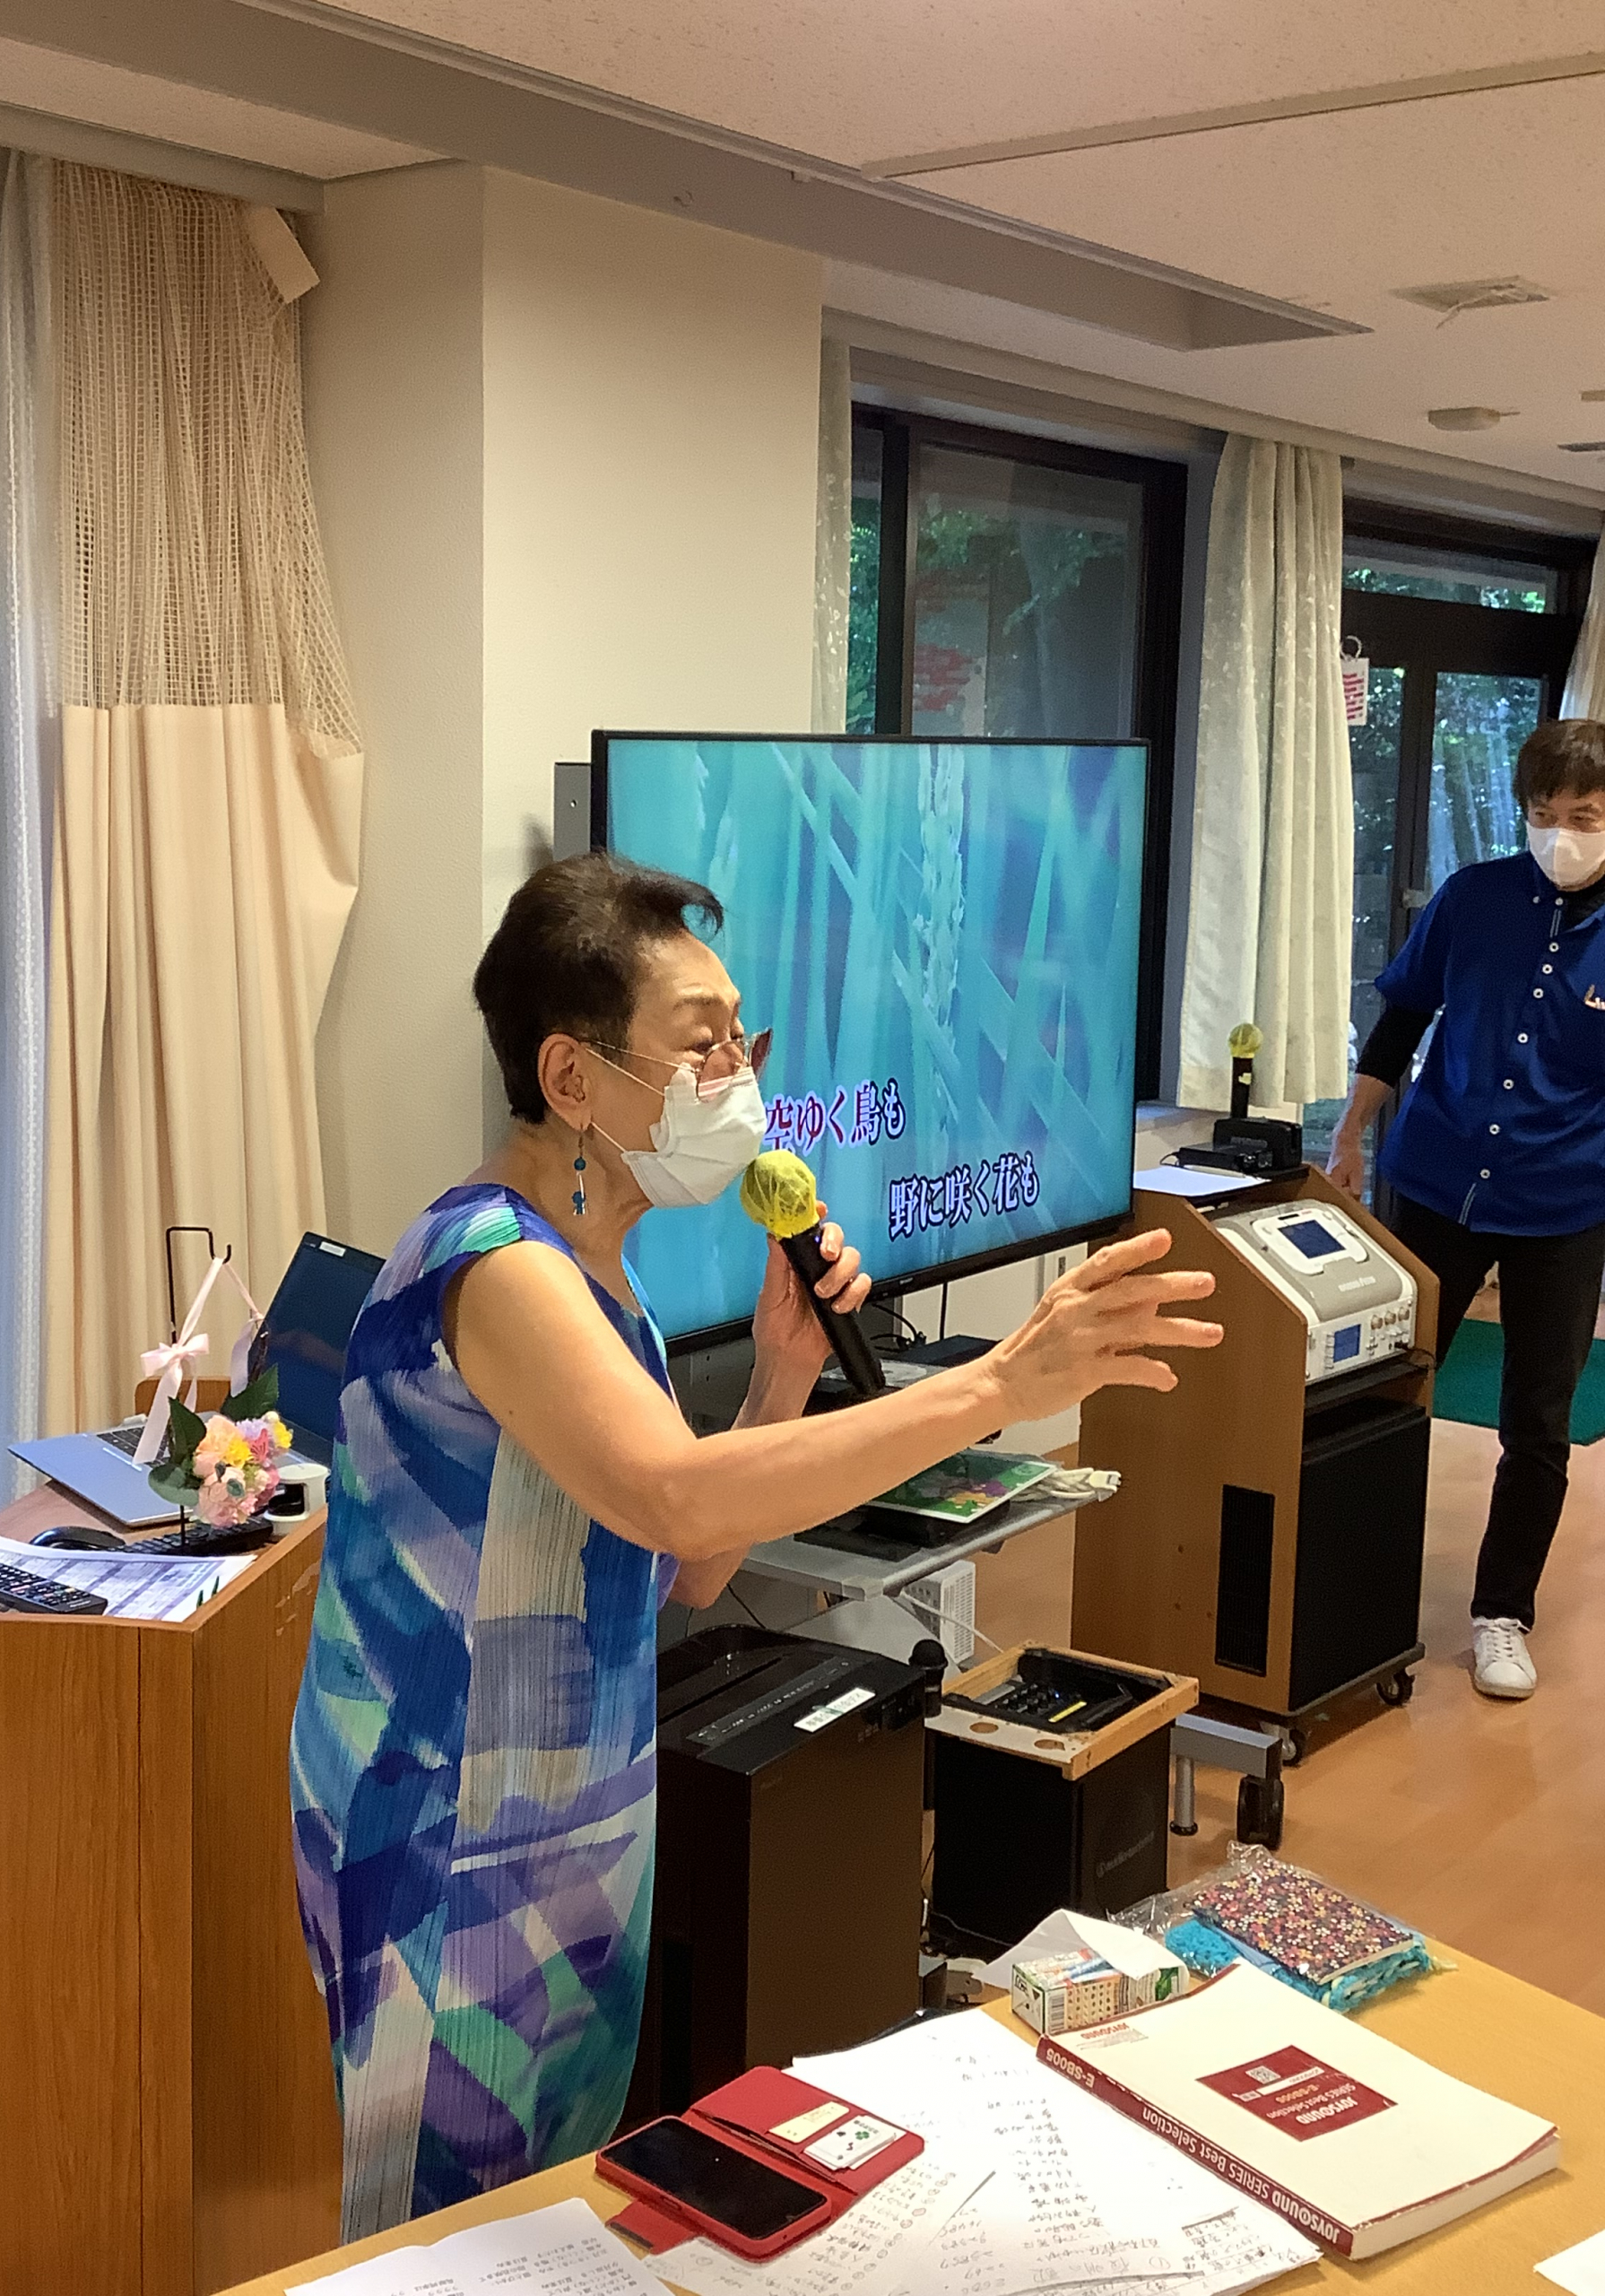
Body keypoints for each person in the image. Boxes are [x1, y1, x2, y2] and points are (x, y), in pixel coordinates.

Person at [290, 851, 1221, 2238]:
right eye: (702, 1041)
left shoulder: (601, 1274)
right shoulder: (497, 1266)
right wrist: (996, 1386)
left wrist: (784, 1371)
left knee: (545, 2200)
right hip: (443, 1833)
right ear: (572, 1078)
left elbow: (687, 1568)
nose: (740, 1073)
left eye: (743, 1035)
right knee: (445, 2228)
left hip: (569, 1813)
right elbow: (676, 1497)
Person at [1328, 718, 1605, 1702]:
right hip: (1438, 1179)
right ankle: (1347, 1583)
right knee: (1387, 1386)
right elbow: (1402, 1015)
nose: (1561, 833)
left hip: (1563, 1201)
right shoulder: (1473, 896)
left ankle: (1501, 1614)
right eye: (1544, 813)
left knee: (1538, 1419)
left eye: (1585, 816)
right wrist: (1351, 1133)